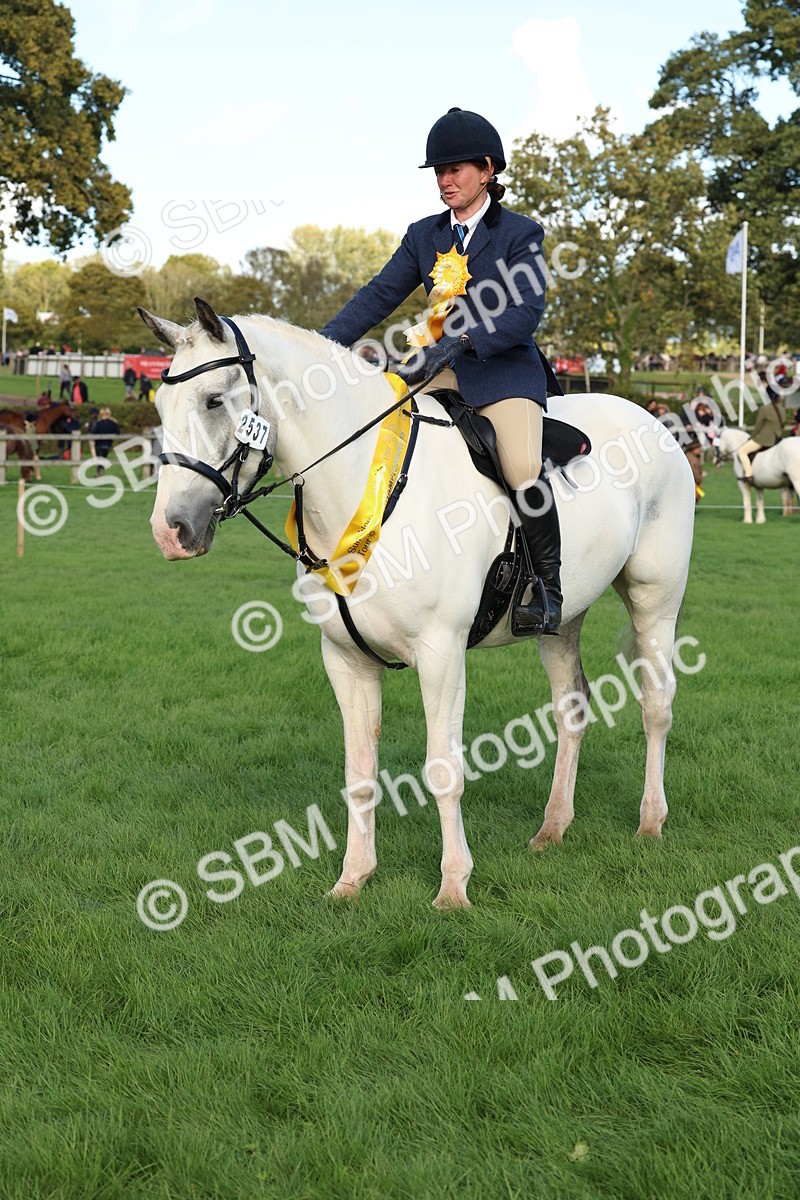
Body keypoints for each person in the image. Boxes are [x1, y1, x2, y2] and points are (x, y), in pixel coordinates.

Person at [319, 107, 564, 635]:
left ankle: (546, 587)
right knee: (377, 429)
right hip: (434, 368)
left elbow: (524, 313)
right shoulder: (423, 234)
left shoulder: (521, 233)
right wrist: (320, 345)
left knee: (522, 466)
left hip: (503, 372)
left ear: (488, 170)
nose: (445, 180)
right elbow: (378, 296)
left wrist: (464, 341)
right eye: (439, 171)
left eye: (456, 169)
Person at [736, 392, 786, 481]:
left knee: (741, 451)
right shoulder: (782, 409)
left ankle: (748, 474)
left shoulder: (764, 409)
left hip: (764, 438)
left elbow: (758, 425)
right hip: (777, 438)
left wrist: (753, 436)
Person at [92, 406, 120, 476]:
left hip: (98, 445)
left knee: (100, 460)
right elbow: (118, 432)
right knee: (103, 459)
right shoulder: (113, 423)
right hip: (107, 445)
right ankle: (99, 473)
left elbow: (94, 433)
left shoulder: (99, 423)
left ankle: (99, 473)